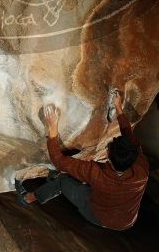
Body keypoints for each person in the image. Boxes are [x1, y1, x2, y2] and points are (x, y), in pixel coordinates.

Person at [15, 90, 149, 231]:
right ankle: (55, 179)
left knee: (63, 181)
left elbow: (59, 161)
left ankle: (28, 198)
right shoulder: (142, 167)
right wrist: (119, 108)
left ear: (109, 159)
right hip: (127, 219)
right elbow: (128, 136)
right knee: (81, 177)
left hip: (99, 215)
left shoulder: (98, 174)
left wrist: (53, 127)